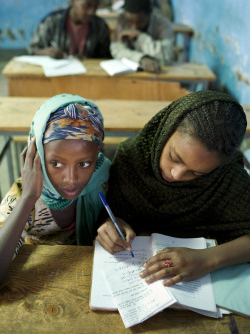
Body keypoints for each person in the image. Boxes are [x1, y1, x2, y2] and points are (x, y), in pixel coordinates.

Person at [97, 90, 250, 288]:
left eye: (196, 173)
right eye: (174, 158)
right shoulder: (131, 158)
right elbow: (110, 210)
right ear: (166, 128)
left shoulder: (228, 178)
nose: (176, 175)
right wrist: (110, 222)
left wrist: (207, 259)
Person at [0, 93, 111, 283]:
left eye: (84, 164)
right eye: (56, 164)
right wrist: (28, 197)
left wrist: (109, 221)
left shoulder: (102, 179)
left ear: (98, 154)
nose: (71, 179)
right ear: (36, 155)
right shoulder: (21, 196)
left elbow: (112, 213)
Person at [27, 0, 111, 59]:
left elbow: (105, 58)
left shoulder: (100, 27)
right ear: (73, 0)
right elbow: (32, 50)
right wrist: (47, 52)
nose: (92, 12)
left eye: (95, 7)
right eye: (86, 6)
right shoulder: (52, 22)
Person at [110, 0, 173, 73]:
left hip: (157, 74)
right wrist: (141, 58)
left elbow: (166, 55)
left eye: (140, 22)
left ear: (150, 12)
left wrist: (140, 37)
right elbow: (116, 50)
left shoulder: (163, 24)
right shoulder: (123, 20)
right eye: (130, 21)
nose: (134, 26)